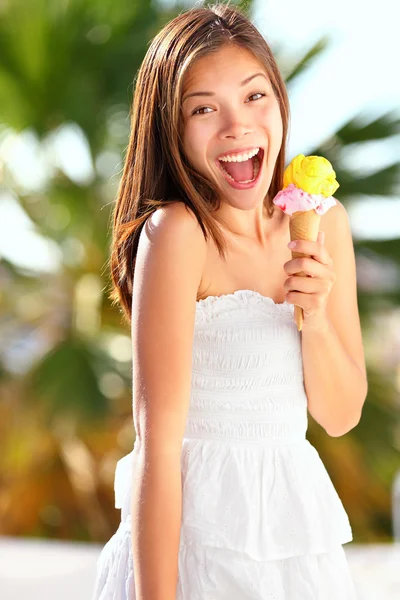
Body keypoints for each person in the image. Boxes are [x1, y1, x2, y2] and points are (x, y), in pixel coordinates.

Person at [92, 3, 368, 599]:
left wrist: (314, 318)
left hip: (295, 555)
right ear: (170, 125)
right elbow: (157, 448)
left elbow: (341, 416)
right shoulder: (177, 233)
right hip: (192, 552)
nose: (236, 126)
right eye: (203, 108)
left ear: (279, 100)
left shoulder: (323, 223)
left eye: (254, 96)